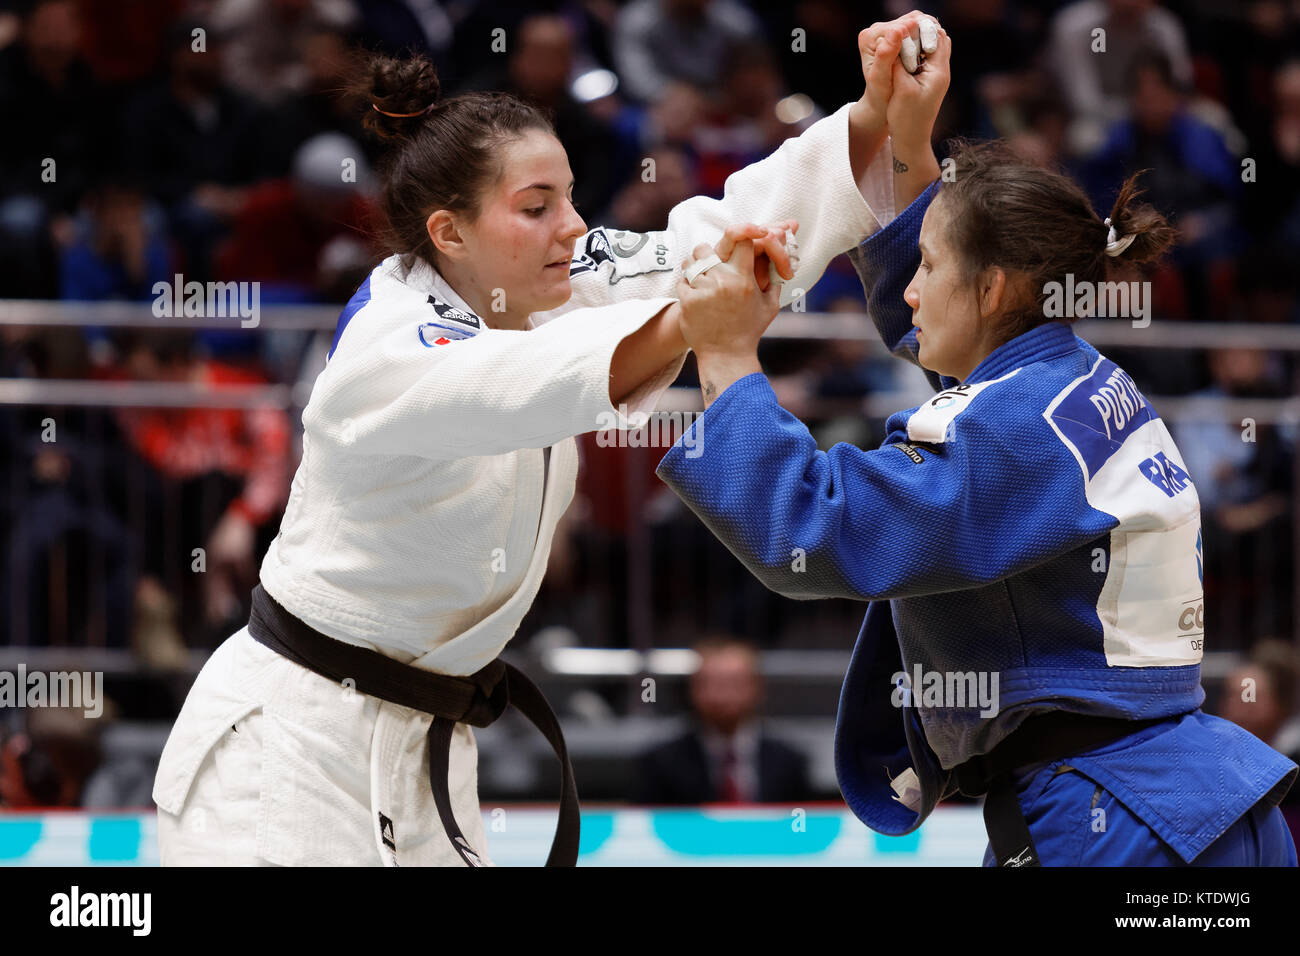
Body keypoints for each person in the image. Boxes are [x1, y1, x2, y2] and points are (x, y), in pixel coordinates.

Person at [152, 9, 918, 866]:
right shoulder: (389, 342)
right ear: (450, 233)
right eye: (536, 206)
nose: (572, 226)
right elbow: (518, 386)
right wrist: (690, 325)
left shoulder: (542, 283)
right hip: (288, 747)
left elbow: (694, 243)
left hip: (427, 745)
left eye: (569, 196)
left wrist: (871, 118)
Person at [656, 18, 1298, 865]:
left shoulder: (1017, 428)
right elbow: (953, 344)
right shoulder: (1073, 381)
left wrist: (730, 355)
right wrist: (907, 137)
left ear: (994, 287)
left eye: (924, 266)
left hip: (1110, 819)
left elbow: (813, 533)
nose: (905, 291)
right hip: (1193, 803)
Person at [634, 636, 811, 805]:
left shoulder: (789, 763)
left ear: (758, 687)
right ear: (692, 689)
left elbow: (802, 828)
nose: (723, 695)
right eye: (713, 684)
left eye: (734, 683)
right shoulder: (661, 763)